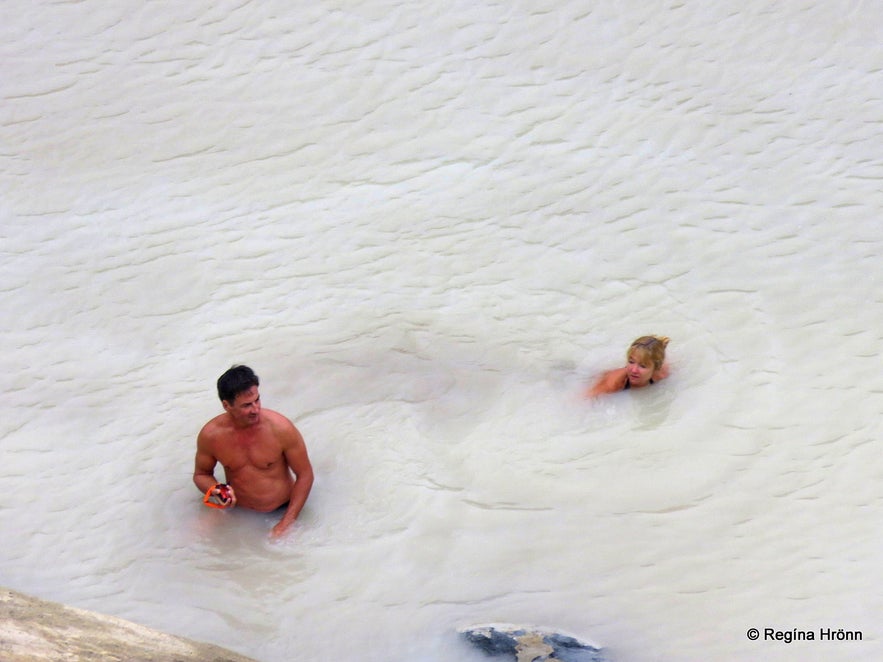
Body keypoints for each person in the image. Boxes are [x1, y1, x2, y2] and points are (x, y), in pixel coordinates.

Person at [194, 365, 314, 539]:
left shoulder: (281, 429)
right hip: (238, 512)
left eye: (257, 400)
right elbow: (201, 475)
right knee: (196, 536)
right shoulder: (211, 436)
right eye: (246, 405)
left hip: (282, 510)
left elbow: (305, 475)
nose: (256, 409)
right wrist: (216, 489)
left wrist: (286, 523)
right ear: (227, 405)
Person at [586, 336, 670, 397]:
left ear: (655, 368)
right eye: (631, 362)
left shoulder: (662, 374)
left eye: (643, 366)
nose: (634, 370)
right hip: (589, 376)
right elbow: (585, 399)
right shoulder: (614, 382)